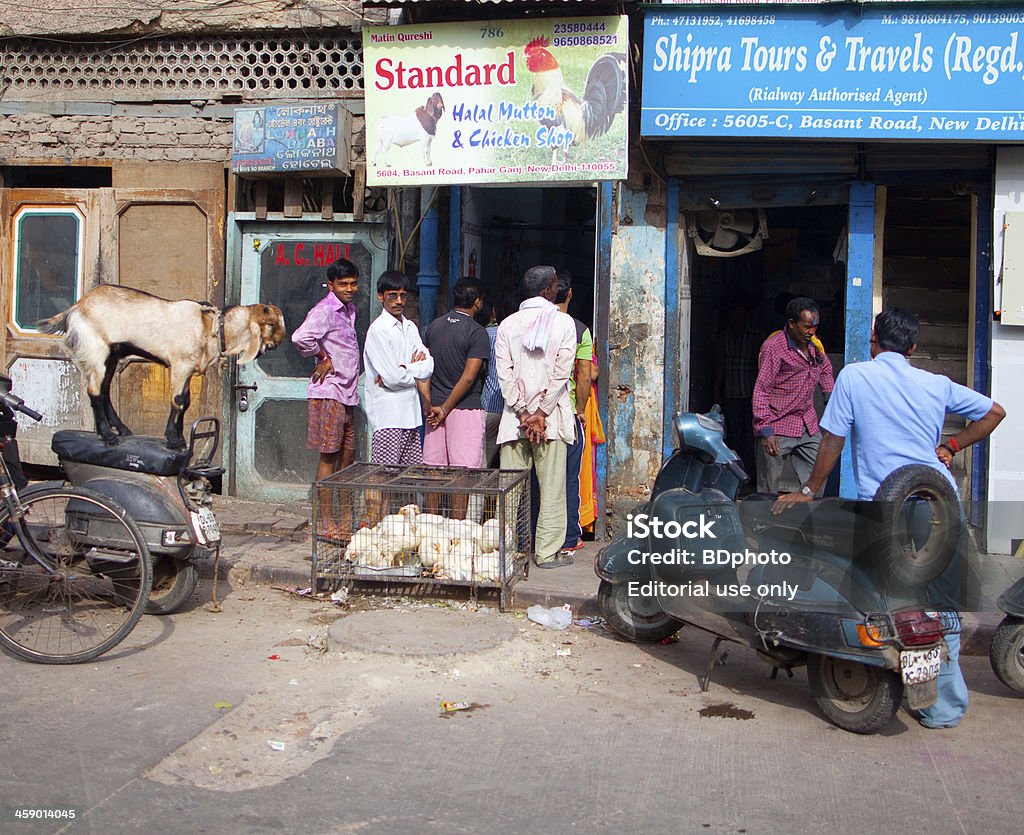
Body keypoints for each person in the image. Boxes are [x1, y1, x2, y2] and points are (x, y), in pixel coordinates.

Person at [773, 307, 1006, 729]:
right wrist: (952, 446)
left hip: (886, 508)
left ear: (873, 339)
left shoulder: (855, 377)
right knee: (942, 607)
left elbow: (832, 440)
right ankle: (942, 708)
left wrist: (808, 491)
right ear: (914, 347)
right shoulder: (935, 384)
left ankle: (870, 684)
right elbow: (995, 413)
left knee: (882, 602)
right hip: (938, 504)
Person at [495, 265, 577, 569]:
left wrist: (524, 412)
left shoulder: (507, 325)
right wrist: (540, 413)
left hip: (515, 421)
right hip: (549, 422)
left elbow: (505, 375)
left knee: (509, 492)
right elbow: (561, 373)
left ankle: (504, 552)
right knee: (552, 489)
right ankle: (545, 553)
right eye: (555, 284)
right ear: (549, 290)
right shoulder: (564, 323)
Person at [752, 296, 834, 494]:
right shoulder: (774, 348)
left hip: (807, 423)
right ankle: (765, 523)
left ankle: (804, 518)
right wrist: (766, 431)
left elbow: (825, 369)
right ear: (791, 324)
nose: (811, 331)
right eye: (807, 327)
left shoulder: (815, 347)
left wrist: (829, 397)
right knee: (769, 487)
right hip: (777, 425)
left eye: (815, 326)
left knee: (819, 474)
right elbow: (761, 390)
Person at [422, 278, 490, 517]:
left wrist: (430, 404)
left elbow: (423, 371)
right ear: (477, 302)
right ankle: (457, 527)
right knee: (462, 472)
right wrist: (447, 408)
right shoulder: (476, 332)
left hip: (435, 410)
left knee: (433, 470)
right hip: (464, 408)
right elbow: (470, 378)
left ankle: (430, 525)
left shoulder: (434, 327)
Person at [363, 271, 433, 467]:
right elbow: (393, 379)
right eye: (392, 296)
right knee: (382, 478)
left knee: (406, 478)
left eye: (403, 295)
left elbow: (429, 365)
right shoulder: (378, 330)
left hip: (410, 415)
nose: (399, 301)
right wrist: (415, 370)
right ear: (381, 296)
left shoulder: (410, 327)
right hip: (388, 416)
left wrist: (405, 368)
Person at [553, 269, 593, 555]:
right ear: (569, 294)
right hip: (566, 410)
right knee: (569, 475)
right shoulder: (579, 329)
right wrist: (580, 409)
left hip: (533, 412)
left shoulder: (529, 324)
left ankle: (530, 535)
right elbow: (585, 376)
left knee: (536, 477)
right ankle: (568, 537)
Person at [713, 303, 761, 482]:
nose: (738, 316)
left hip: (752, 394)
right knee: (733, 434)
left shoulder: (756, 337)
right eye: (735, 312)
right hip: (731, 393)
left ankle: (749, 471)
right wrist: (717, 391)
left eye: (742, 312)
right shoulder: (724, 337)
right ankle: (733, 472)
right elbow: (720, 366)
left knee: (750, 434)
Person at [479, 301, 504, 468]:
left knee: (483, 459)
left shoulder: (488, 334)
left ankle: (478, 495)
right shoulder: (528, 334)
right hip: (521, 410)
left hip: (491, 404)